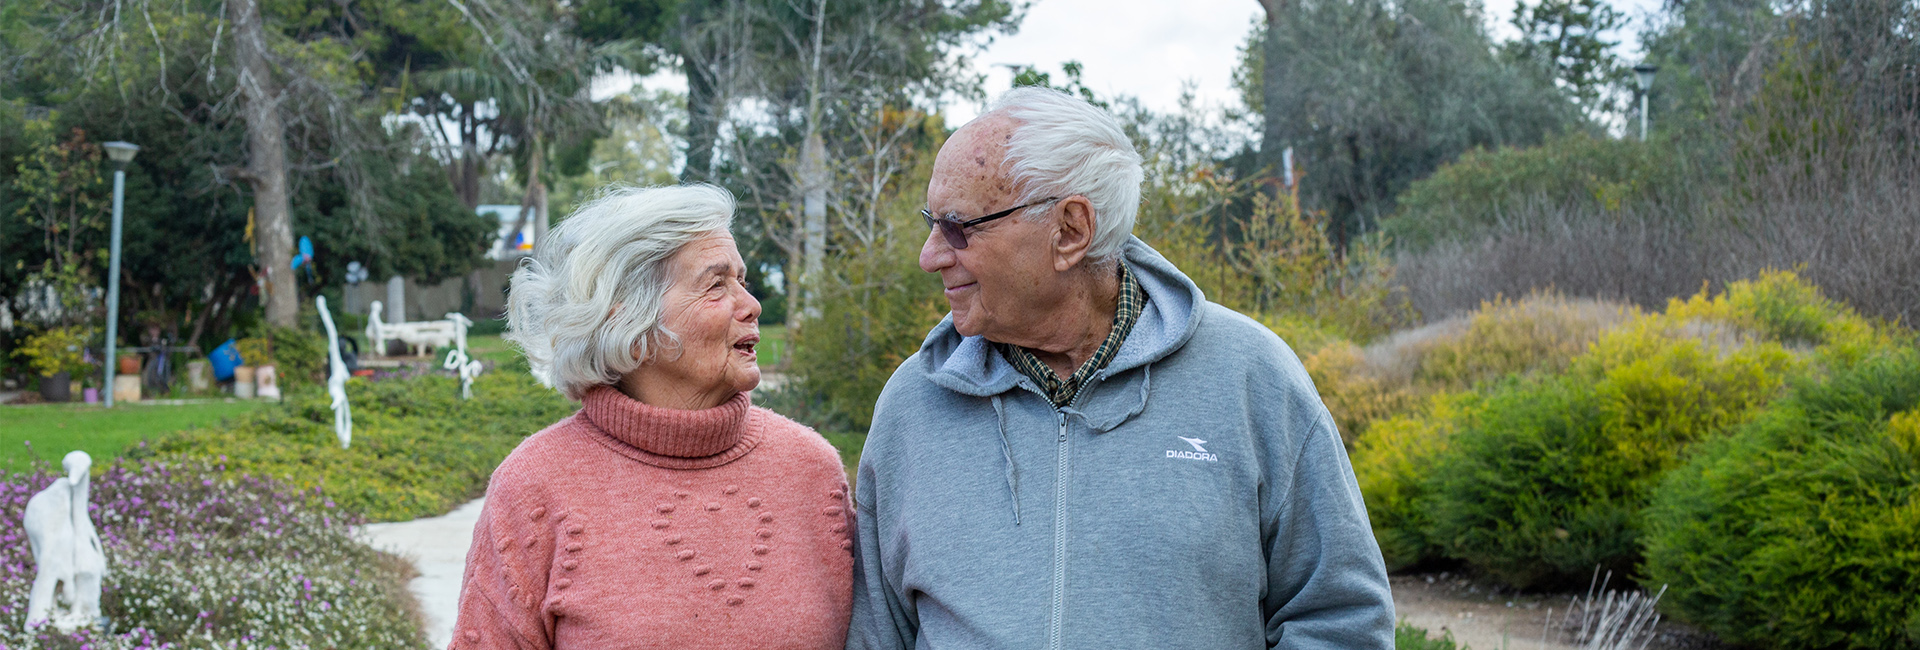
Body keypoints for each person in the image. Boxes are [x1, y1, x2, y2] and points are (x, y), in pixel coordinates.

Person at [848, 87, 1395, 649]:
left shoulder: (1252, 379)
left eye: (958, 227)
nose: (930, 255)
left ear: (1070, 231)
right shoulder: (912, 404)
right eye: (930, 223)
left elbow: (1341, 620)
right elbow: (876, 634)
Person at [450, 184, 853, 649]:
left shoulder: (810, 469)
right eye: (716, 285)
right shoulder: (533, 487)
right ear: (629, 324)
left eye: (743, 281)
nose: (752, 305)